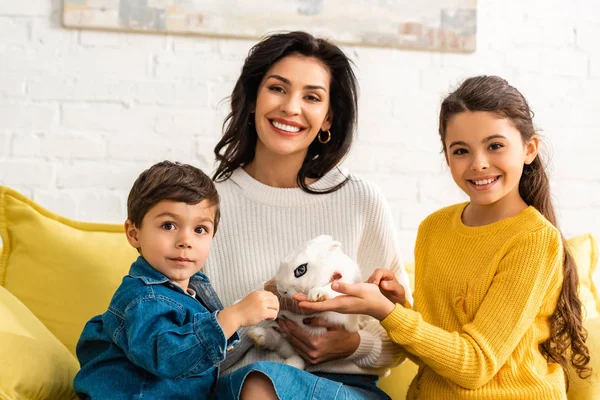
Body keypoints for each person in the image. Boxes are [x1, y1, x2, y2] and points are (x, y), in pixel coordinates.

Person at [295, 76, 592, 399]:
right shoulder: (434, 229)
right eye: (461, 150)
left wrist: (387, 313)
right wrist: (399, 308)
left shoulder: (533, 239)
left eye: (495, 146)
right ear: (447, 157)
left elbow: (474, 366)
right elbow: (435, 356)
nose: (478, 163)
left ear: (529, 149)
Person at [202, 31, 412, 400]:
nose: (291, 107)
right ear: (252, 100)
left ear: (328, 118)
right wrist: (258, 313)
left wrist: (350, 345)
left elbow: (403, 338)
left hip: (348, 389)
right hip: (244, 389)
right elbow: (188, 349)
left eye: (311, 97)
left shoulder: (360, 200)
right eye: (278, 89)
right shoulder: (207, 205)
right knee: (259, 382)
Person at [73, 161, 279, 399]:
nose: (185, 240)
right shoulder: (142, 298)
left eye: (200, 229)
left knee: (261, 379)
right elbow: (167, 358)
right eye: (168, 225)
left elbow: (206, 354)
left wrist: (256, 305)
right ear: (134, 234)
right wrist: (234, 316)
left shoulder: (195, 286)